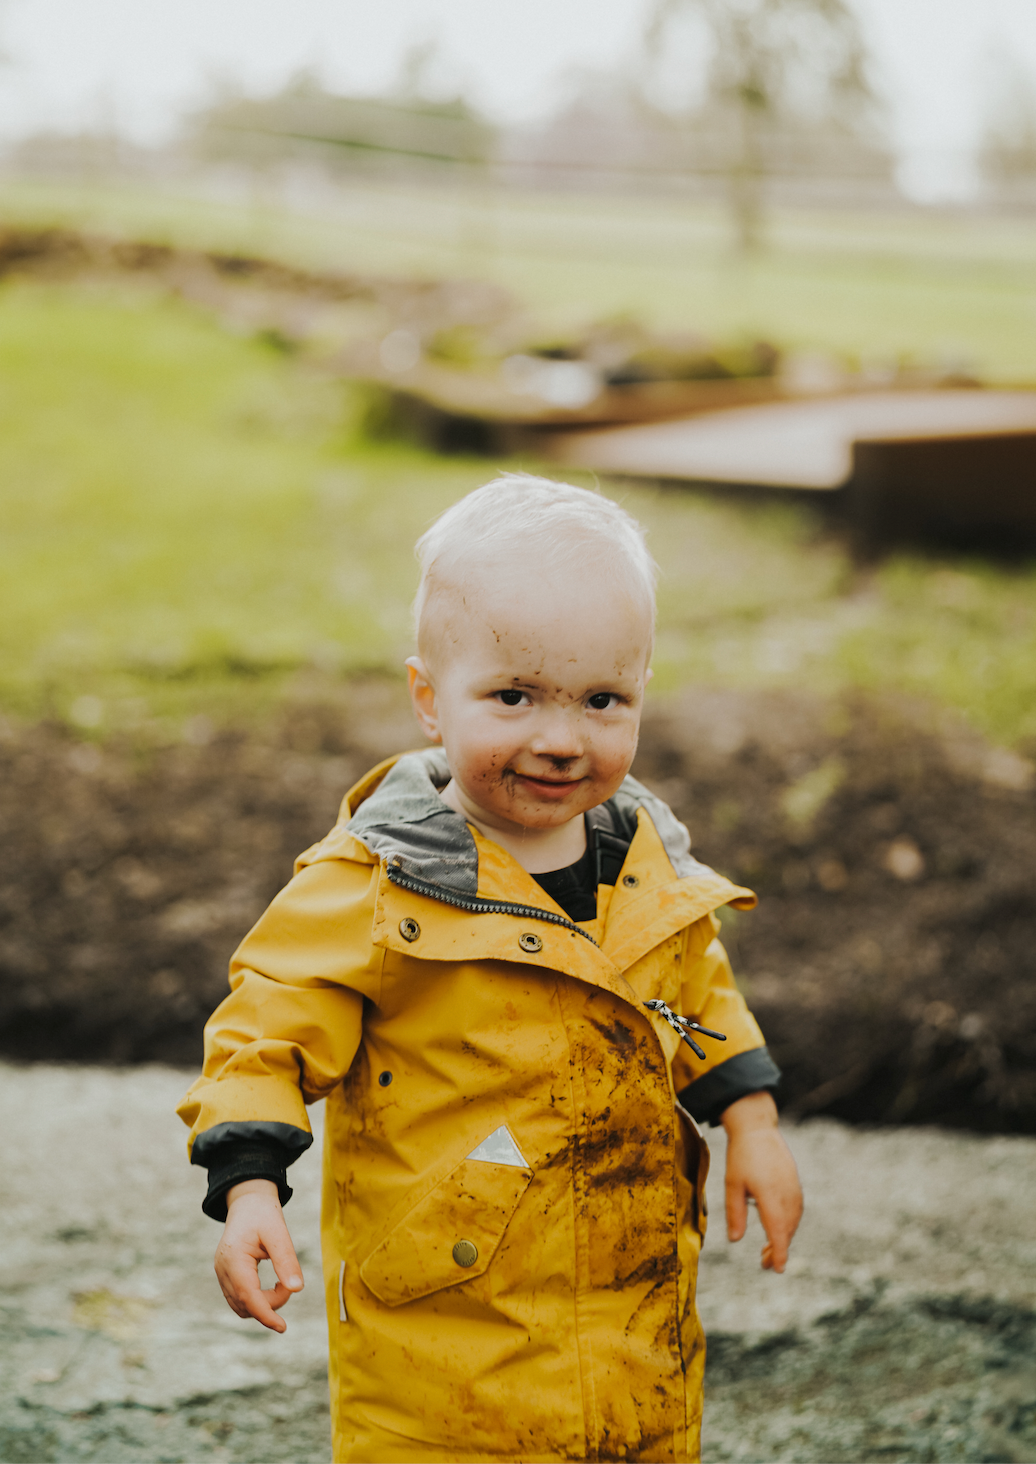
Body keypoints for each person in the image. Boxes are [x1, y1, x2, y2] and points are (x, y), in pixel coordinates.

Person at [177, 473, 802, 1464]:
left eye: (603, 700)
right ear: (430, 700)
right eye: (513, 698)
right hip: (442, 1359)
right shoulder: (378, 881)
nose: (560, 739)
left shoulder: (645, 867)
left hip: (632, 1332)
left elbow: (694, 992)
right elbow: (267, 1026)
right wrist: (251, 1188)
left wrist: (750, 1120)